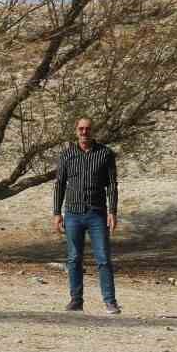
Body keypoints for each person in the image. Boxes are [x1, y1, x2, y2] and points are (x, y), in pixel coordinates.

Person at [52, 117, 120, 314]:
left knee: (103, 258)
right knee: (74, 258)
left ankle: (110, 301)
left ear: (93, 131)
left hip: (97, 213)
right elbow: (59, 185)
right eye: (81, 129)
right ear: (76, 131)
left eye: (87, 129)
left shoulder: (105, 154)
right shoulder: (66, 155)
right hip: (72, 213)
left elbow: (112, 186)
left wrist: (112, 211)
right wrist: (57, 213)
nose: (84, 132)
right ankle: (76, 300)